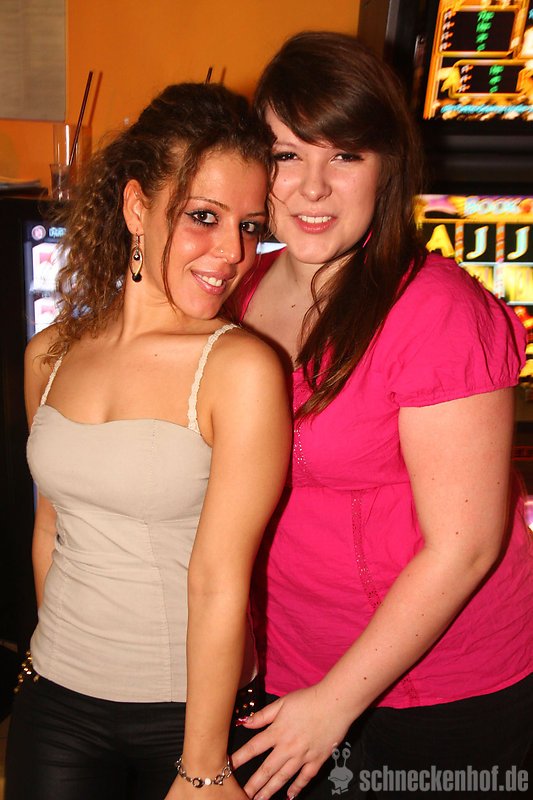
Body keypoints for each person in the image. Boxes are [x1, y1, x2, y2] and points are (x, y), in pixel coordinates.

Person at [230, 32, 533, 799]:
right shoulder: (237, 290)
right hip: (286, 662)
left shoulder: (436, 313)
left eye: (345, 155)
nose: (312, 188)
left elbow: (464, 547)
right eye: (286, 155)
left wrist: (333, 704)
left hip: (437, 687)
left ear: (386, 166)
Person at [5, 82, 291, 800]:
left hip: (190, 715)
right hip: (57, 699)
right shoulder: (49, 354)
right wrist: (58, 657)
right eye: (203, 216)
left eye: (250, 226)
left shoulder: (240, 369)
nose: (232, 251)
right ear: (137, 207)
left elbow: (219, 578)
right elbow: (50, 528)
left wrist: (204, 765)